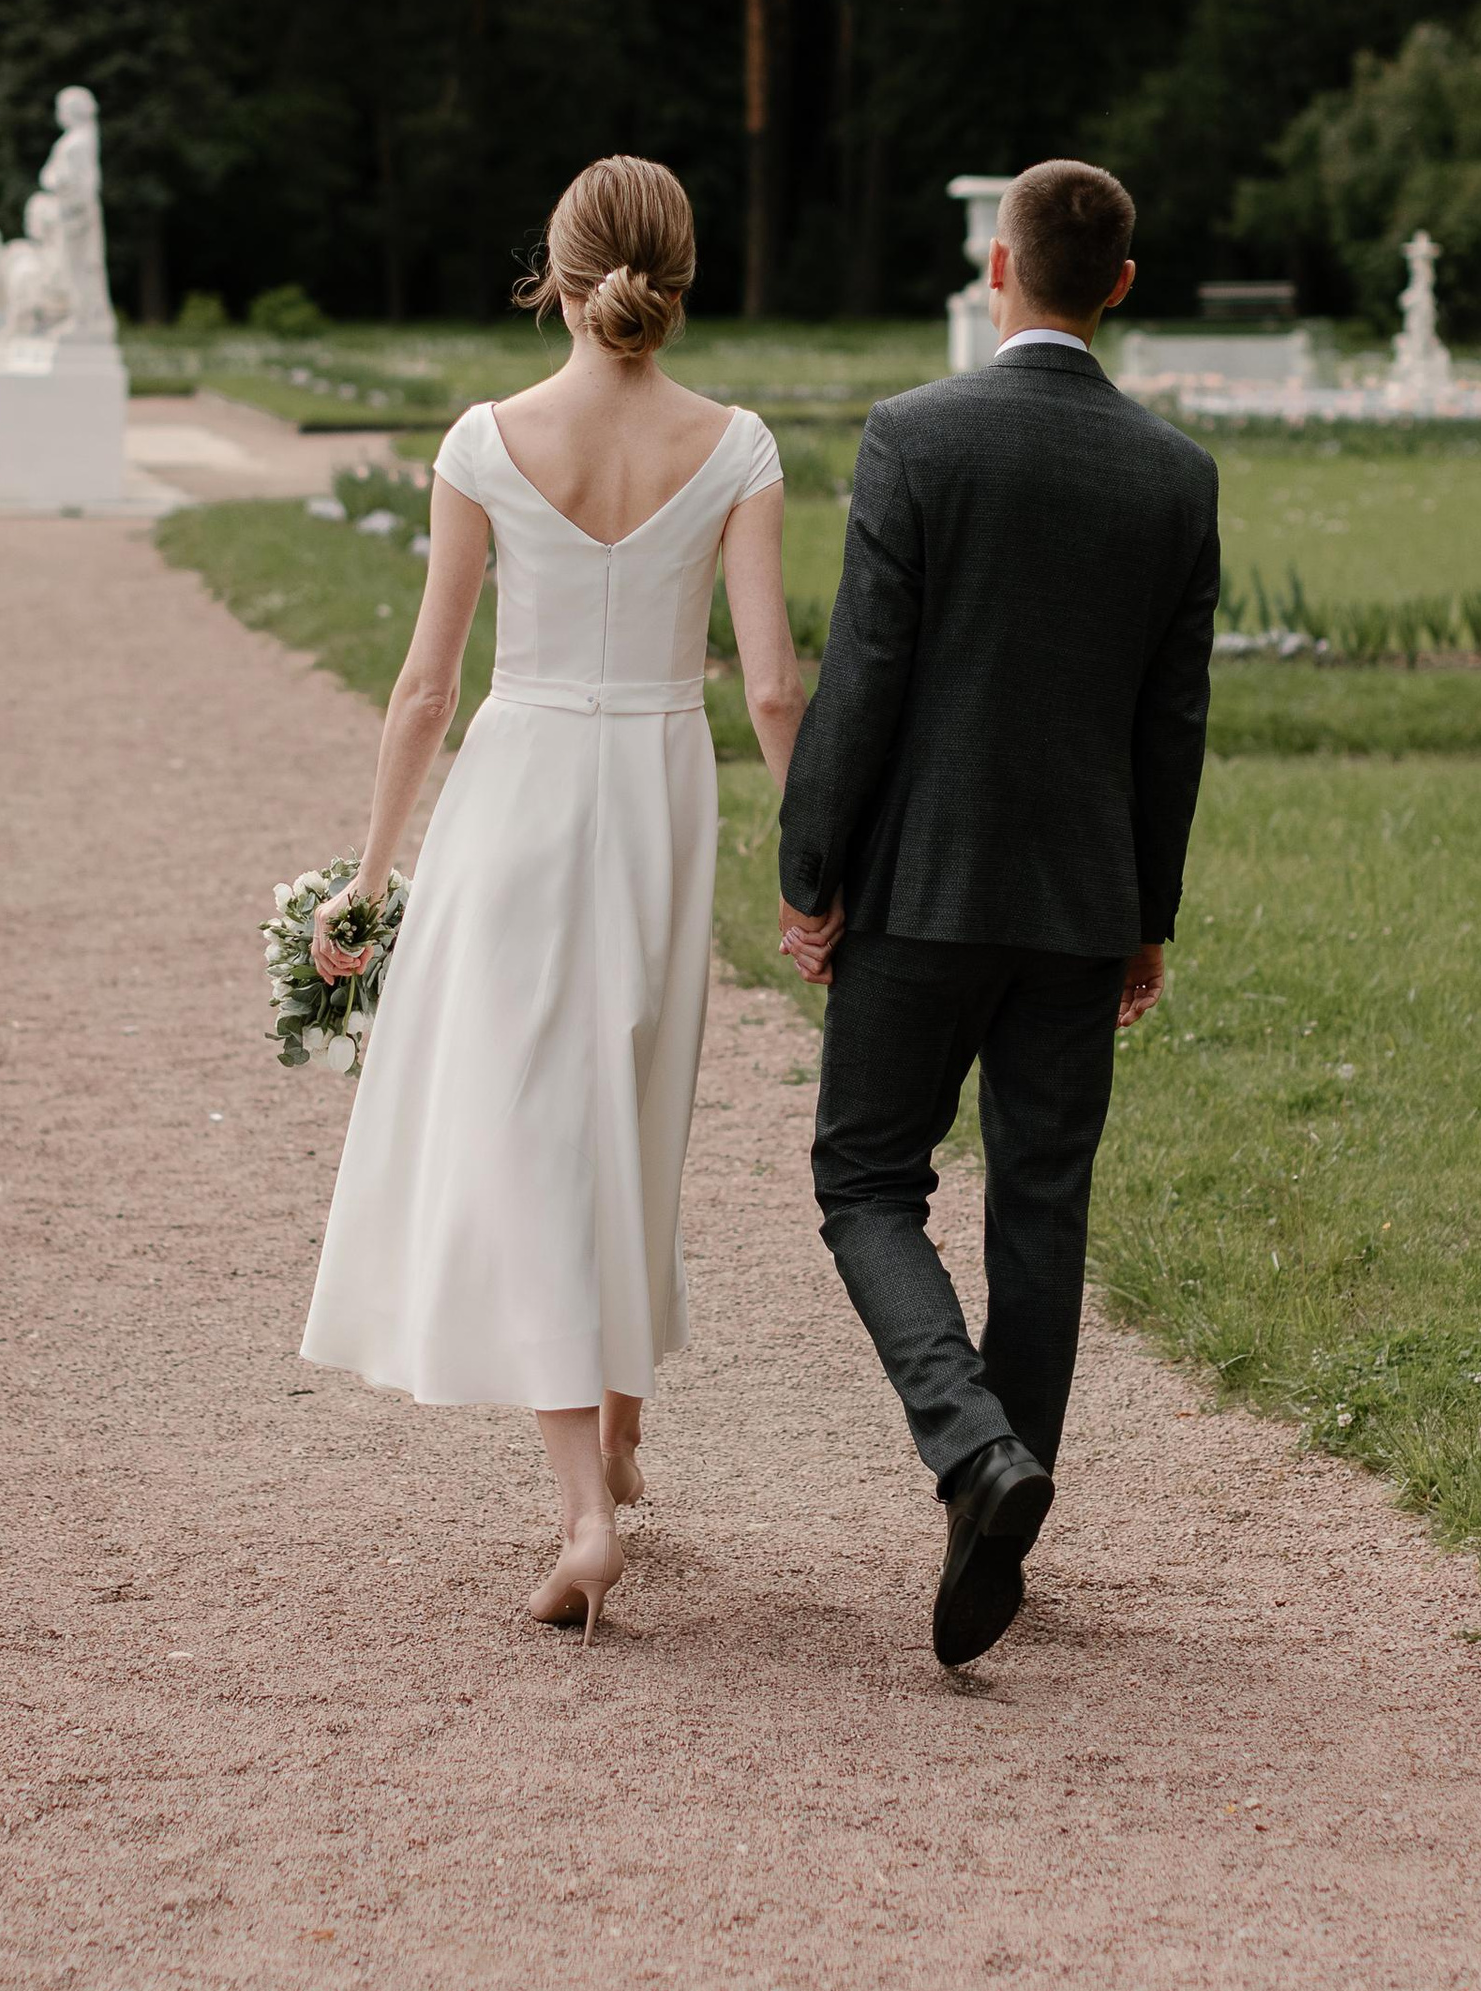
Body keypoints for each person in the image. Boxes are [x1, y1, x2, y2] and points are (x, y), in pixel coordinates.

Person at [301, 156, 805, 1641]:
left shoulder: (485, 437)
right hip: (656, 791)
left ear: (559, 274)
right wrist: (818, 857)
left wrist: (372, 875)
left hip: (518, 790)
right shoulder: (739, 446)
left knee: (535, 1128)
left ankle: (589, 1506)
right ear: (684, 272)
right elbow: (771, 684)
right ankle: (622, 1432)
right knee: (635, 1098)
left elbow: (422, 690)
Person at [776, 158, 1219, 1671]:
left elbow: (867, 678)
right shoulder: (1176, 476)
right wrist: (1146, 915)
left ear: (998, 271)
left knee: (861, 1174)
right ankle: (1002, 1495)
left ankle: (975, 1458)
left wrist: (809, 868)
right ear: (1121, 288)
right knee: (1043, 1201)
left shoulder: (917, 437)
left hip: (925, 886)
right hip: (1082, 898)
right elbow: (1175, 728)